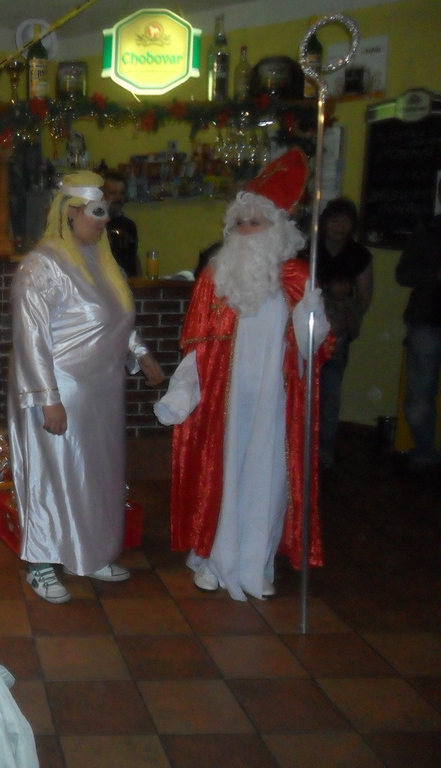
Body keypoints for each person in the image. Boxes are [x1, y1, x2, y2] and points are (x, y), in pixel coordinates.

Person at [156, 149, 331, 601]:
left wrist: (311, 314)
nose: (246, 231)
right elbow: (198, 347)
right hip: (225, 403)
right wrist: (182, 393)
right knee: (221, 476)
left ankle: (257, 563)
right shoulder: (216, 278)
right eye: (240, 223)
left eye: (256, 222)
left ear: (278, 229)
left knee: (267, 482)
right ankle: (212, 559)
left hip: (275, 401)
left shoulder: (298, 279)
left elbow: (313, 349)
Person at [8, 170, 166, 604]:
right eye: (97, 212)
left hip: (101, 392)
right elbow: (31, 337)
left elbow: (113, 315)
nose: (104, 220)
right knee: (50, 475)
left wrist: (141, 352)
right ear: (71, 213)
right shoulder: (42, 265)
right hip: (58, 389)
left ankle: (90, 551)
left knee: (95, 476)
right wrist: (48, 399)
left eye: (105, 211)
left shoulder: (100, 259)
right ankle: (41, 562)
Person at [301, 197, 373, 469]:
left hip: (337, 337)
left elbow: (365, 297)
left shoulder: (359, 255)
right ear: (324, 222)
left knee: (329, 398)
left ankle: (324, 453)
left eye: (346, 221)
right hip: (305, 332)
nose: (339, 226)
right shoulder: (308, 248)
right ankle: (298, 450)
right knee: (300, 394)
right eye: (334, 219)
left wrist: (345, 315)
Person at [395, 178, 441, 475]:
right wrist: (434, 275)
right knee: (420, 396)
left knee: (421, 394)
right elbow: (403, 274)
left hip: (426, 324)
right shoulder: (427, 231)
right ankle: (424, 453)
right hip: (427, 321)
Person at [102, 170, 140, 277]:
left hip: (129, 283)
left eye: (121, 193)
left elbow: (133, 257)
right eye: (113, 193)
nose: (118, 198)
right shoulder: (95, 226)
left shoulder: (129, 226)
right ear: (102, 195)